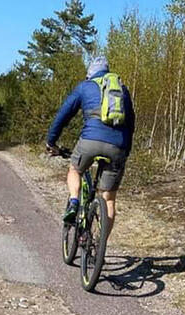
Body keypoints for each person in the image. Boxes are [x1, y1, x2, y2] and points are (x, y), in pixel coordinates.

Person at [46, 56, 135, 236]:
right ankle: (100, 247)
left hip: (89, 142)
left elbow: (63, 115)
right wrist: (125, 151)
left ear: (90, 73)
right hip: (118, 146)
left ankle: (73, 201)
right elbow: (131, 123)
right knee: (109, 199)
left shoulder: (85, 86)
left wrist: (51, 141)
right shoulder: (122, 90)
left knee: (75, 170)